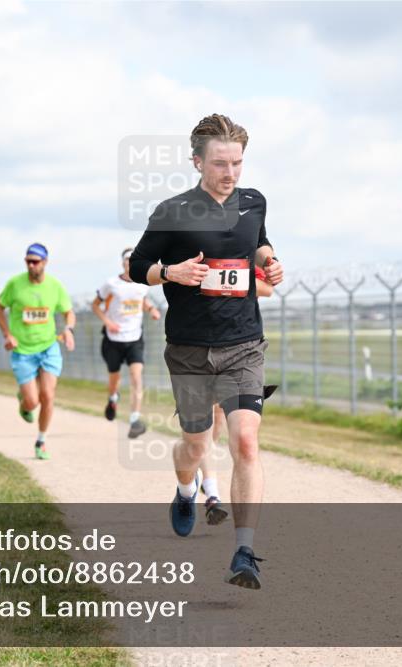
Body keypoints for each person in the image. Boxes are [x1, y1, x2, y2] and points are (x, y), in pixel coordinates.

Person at [129, 114, 284, 590]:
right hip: (190, 350)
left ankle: (245, 551)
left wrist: (270, 261)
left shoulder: (253, 202)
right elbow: (137, 265)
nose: (230, 172)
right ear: (197, 162)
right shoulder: (172, 211)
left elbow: (257, 242)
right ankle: (184, 489)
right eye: (220, 163)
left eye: (237, 162)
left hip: (243, 345)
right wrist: (169, 273)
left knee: (245, 442)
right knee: (196, 446)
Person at [201, 265, 275, 525]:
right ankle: (209, 493)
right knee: (201, 431)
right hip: (198, 347)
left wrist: (226, 284)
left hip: (238, 350)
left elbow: (267, 289)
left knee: (223, 426)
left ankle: (207, 488)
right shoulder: (192, 249)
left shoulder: (246, 253)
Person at [0, 243, 75, 460]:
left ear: (45, 262)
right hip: (22, 350)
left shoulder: (54, 286)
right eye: (28, 261)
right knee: (32, 402)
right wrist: (7, 334)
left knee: (48, 395)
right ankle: (24, 401)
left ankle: (41, 441)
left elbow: (69, 312)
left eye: (35, 261)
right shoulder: (15, 284)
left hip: (48, 347)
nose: (31, 265)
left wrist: (68, 329)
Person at [92, 247, 160, 439]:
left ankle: (135, 419)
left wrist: (152, 310)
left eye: (133, 260)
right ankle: (113, 398)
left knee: (136, 376)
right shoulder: (111, 284)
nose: (130, 264)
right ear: (123, 263)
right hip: (113, 339)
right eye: (127, 260)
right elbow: (95, 305)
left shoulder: (143, 284)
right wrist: (108, 322)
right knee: (114, 378)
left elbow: (142, 301)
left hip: (134, 338)